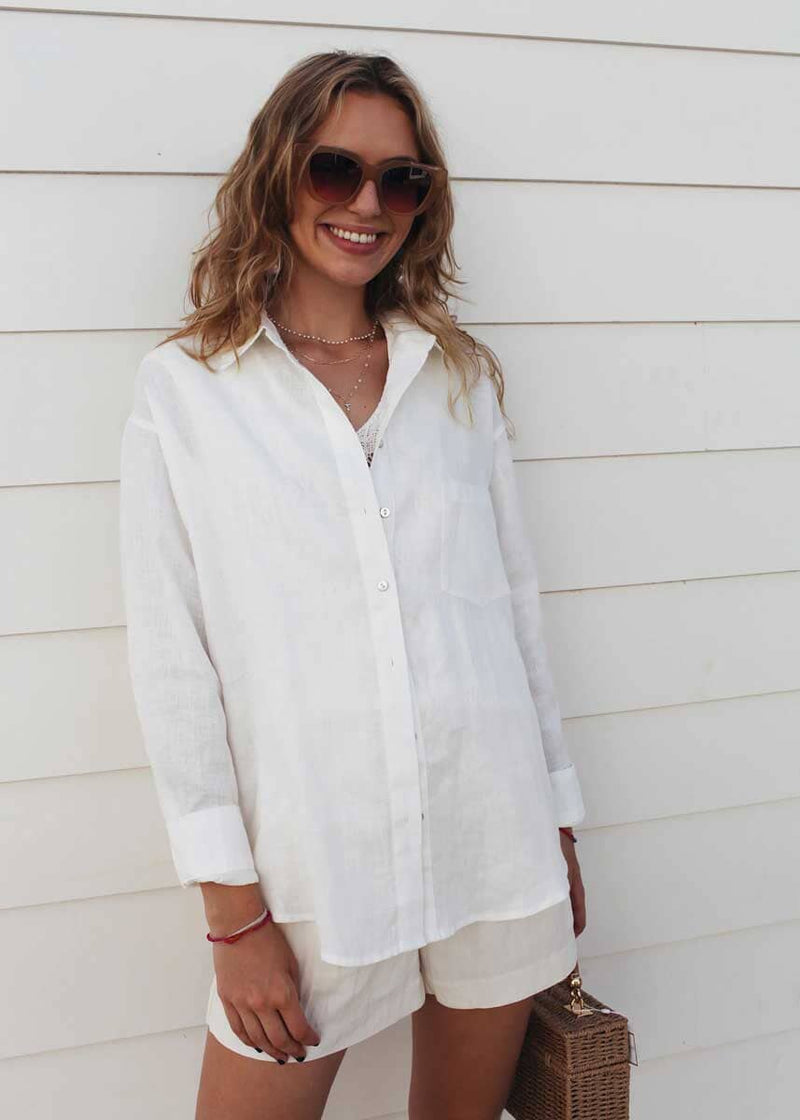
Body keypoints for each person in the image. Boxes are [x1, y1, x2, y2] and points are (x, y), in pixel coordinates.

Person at [119, 50, 587, 1120]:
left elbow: (510, 614)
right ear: (277, 174)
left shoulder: (455, 379)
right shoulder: (187, 392)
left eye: (400, 180)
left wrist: (556, 823)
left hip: (492, 838)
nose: (367, 204)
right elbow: (173, 661)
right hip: (309, 870)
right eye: (334, 169)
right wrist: (233, 915)